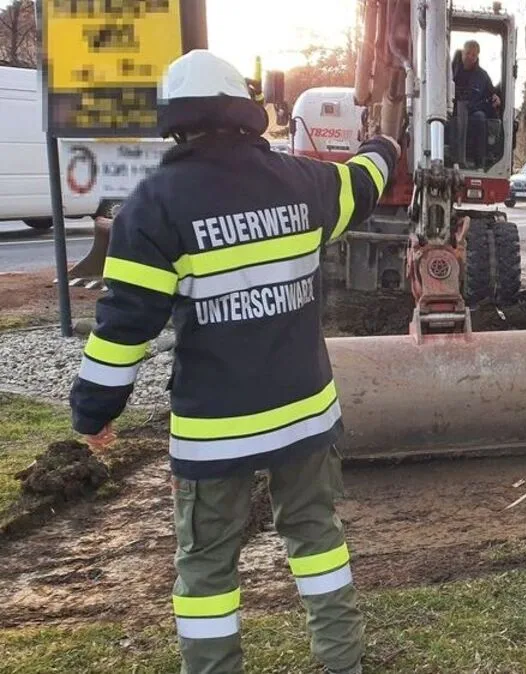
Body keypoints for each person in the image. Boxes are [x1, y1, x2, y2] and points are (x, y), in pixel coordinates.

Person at [68, 50, 399, 674]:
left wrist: (93, 412)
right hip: (306, 416)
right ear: (247, 114)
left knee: (207, 567)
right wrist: (384, 143)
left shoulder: (152, 207)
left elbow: (121, 331)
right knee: (317, 542)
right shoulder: (303, 183)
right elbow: (364, 181)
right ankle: (343, 662)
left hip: (215, 433)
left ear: (177, 123)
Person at [452, 40, 501, 168]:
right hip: (451, 110)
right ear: (462, 53)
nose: (470, 57)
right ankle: (452, 158)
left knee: (480, 117)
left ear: (477, 56)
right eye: (468, 53)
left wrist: (496, 97)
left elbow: (492, 93)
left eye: (473, 55)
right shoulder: (450, 72)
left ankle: (479, 161)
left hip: (473, 112)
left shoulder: (482, 76)